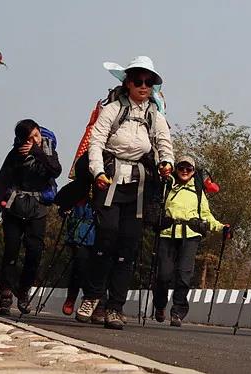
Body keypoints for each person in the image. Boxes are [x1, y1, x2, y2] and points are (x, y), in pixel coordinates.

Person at [75, 56, 175, 330]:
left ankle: (115, 307)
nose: (144, 86)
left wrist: (167, 163)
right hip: (110, 179)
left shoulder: (155, 115)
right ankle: (93, 295)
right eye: (139, 81)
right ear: (128, 83)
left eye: (149, 82)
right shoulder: (112, 110)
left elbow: (164, 143)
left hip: (139, 184)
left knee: (128, 246)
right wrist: (97, 172)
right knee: (106, 238)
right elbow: (96, 142)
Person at [0, 119, 62, 316]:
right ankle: (5, 295)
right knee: (11, 251)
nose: (35, 140)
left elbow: (55, 170)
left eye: (37, 135)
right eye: (30, 138)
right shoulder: (15, 154)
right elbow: (2, 179)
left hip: (38, 208)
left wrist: (36, 153)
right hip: (14, 207)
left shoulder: (48, 151)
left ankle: (23, 291)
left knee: (34, 252)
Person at [152, 156, 230, 327]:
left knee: (184, 275)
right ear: (176, 169)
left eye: (189, 168)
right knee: (163, 275)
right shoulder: (167, 186)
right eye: (181, 168)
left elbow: (206, 215)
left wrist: (221, 227)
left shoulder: (198, 190)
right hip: (167, 234)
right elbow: (155, 207)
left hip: (191, 235)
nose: (185, 171)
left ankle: (177, 312)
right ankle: (159, 305)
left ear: (194, 171)